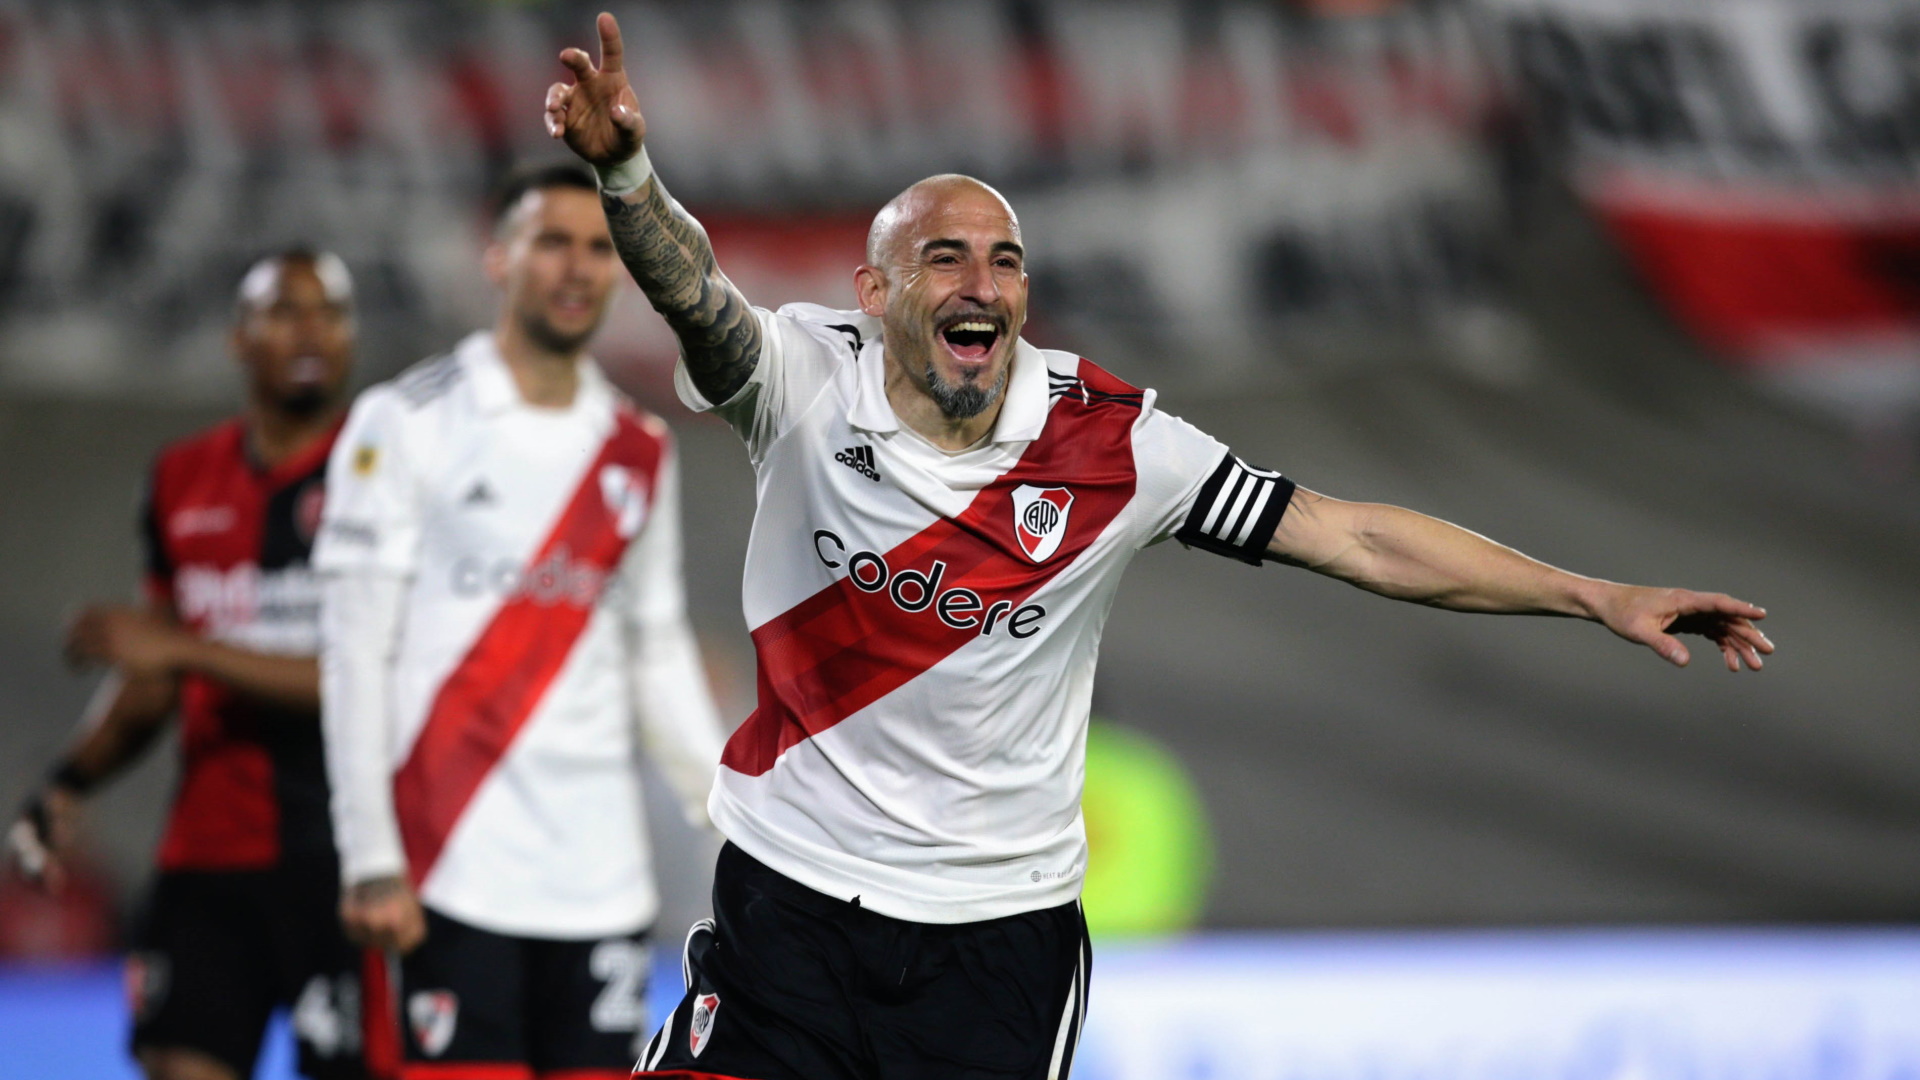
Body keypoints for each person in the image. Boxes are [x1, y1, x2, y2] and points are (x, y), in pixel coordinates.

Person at [544, 15, 1775, 1080]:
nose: (983, 280)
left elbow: (1353, 537)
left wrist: (1591, 592)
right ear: (875, 292)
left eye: (1007, 259)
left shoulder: (1117, 445)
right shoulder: (803, 381)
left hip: (995, 939)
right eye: (945, 256)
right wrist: (627, 175)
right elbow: (696, 297)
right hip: (792, 900)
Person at [313, 162, 726, 1080]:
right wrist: (371, 856)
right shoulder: (405, 423)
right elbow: (353, 652)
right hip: (450, 867)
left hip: (601, 879)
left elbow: (655, 645)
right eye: (552, 243)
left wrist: (725, 813)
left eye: (596, 248)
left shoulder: (638, 448)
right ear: (497, 259)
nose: (576, 269)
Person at [6, 249, 382, 1080]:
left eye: (332, 311)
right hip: (209, 858)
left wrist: (178, 644)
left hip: (355, 861)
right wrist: (69, 780)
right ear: (237, 339)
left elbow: (372, 679)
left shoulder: (390, 474)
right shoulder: (181, 479)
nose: (312, 329)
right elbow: (152, 676)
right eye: (286, 310)